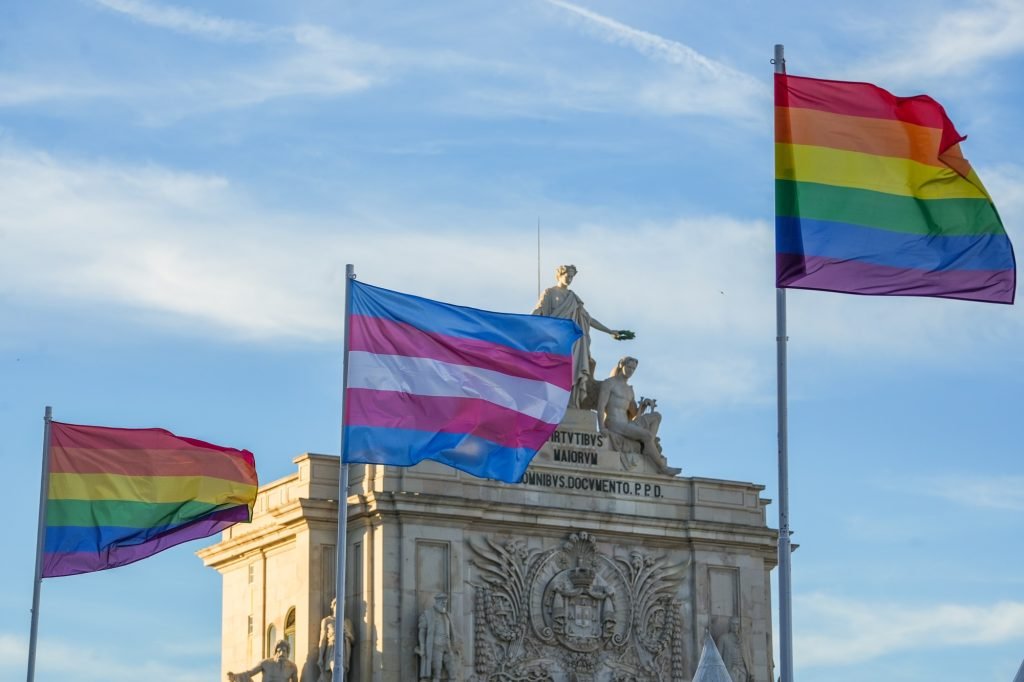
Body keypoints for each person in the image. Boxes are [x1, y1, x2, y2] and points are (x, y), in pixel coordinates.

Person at [532, 265, 632, 408]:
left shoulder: (573, 298)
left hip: (573, 342)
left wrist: (609, 331)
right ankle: (553, 401)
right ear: (560, 275)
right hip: (555, 341)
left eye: (572, 276)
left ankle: (571, 402)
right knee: (554, 370)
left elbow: (589, 320)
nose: (570, 279)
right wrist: (526, 325)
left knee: (572, 370)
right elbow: (539, 311)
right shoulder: (550, 293)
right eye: (568, 275)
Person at [597, 356, 678, 475]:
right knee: (647, 435)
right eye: (628, 367)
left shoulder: (629, 390)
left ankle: (648, 446)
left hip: (626, 424)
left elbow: (634, 414)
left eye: (633, 369)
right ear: (621, 365)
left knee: (656, 416)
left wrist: (644, 405)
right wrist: (602, 427)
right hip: (614, 424)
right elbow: (600, 406)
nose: (631, 371)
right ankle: (662, 467)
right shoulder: (609, 383)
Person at [415, 593, 460, 682]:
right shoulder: (427, 614)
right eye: (442, 602)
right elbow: (422, 632)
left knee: (453, 673)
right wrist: (423, 648)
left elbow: (452, 632)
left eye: (445, 602)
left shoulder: (448, 616)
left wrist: (455, 647)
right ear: (437, 602)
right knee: (436, 674)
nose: (444, 604)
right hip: (435, 647)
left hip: (448, 648)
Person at [318, 598, 354, 682]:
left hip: (344, 649)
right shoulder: (327, 620)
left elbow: (353, 640)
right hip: (332, 649)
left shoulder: (347, 622)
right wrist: (320, 657)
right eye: (338, 605)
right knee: (335, 669)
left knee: (343, 675)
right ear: (333, 606)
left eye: (342, 606)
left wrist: (348, 634)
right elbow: (323, 639)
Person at [227, 640, 298, 682]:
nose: (281, 653)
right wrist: (234, 677)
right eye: (279, 651)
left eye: (284, 651)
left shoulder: (292, 667)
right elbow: (249, 673)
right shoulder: (265, 663)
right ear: (275, 652)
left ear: (288, 653)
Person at [716, 617, 753, 682]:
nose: (735, 626)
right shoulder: (723, 638)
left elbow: (748, 657)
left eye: (737, 624)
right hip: (730, 669)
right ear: (730, 625)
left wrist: (752, 672)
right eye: (733, 624)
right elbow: (718, 658)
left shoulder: (744, 640)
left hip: (742, 670)